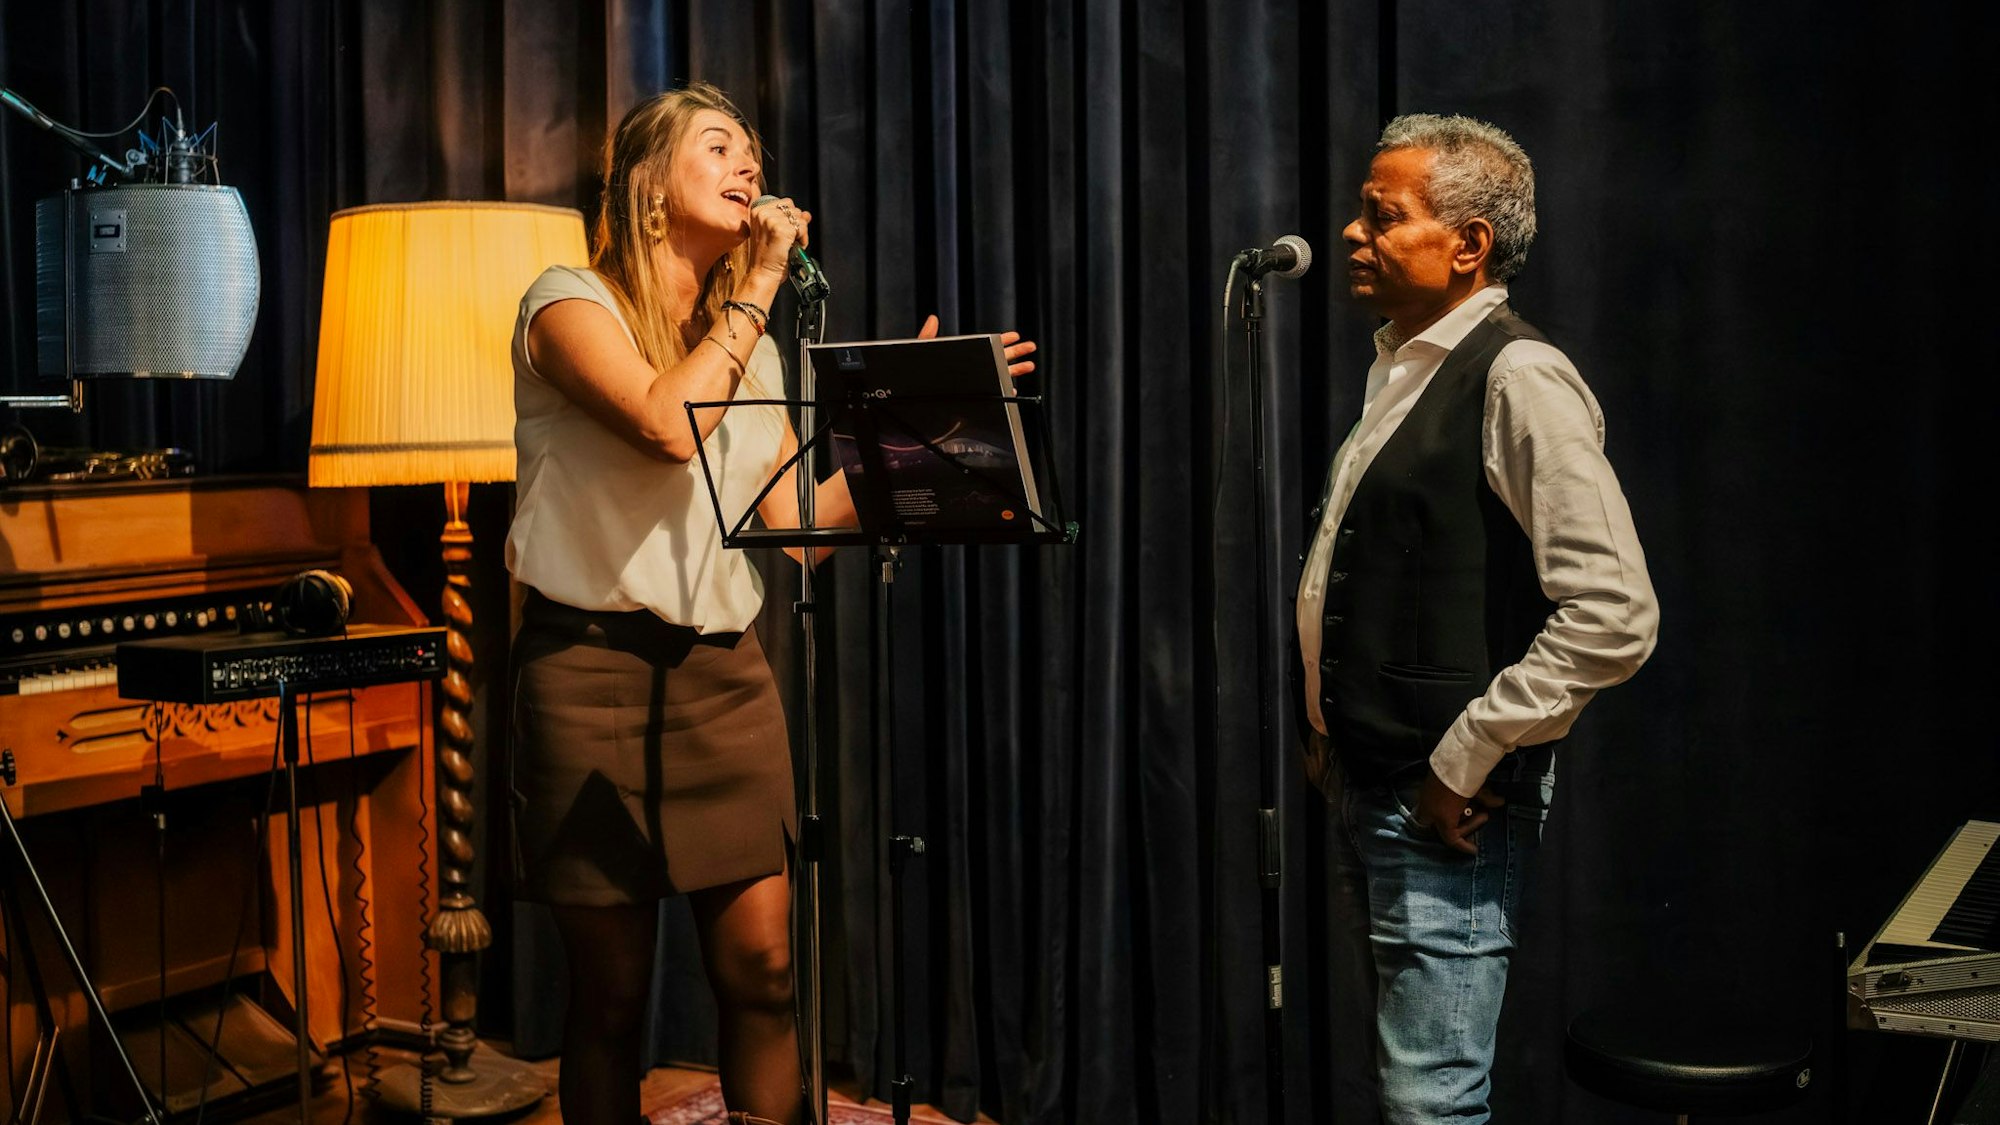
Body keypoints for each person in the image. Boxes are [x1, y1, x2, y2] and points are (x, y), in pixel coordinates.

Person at [504, 82, 1034, 1125]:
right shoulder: (566, 302)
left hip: (723, 679)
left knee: (767, 975)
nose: (749, 165)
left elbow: (795, 529)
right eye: (718, 148)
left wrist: (914, 419)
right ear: (651, 183)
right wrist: (755, 288)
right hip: (587, 677)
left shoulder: (750, 350)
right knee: (608, 1000)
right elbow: (663, 424)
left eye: (753, 150)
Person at [1294, 113, 1659, 1122]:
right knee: (1408, 1081)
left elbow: (1611, 614)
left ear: (1467, 245)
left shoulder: (1517, 375)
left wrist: (1468, 754)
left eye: (1383, 215)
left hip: (1440, 799)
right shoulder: (1399, 363)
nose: (1353, 235)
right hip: (1369, 776)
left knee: (1431, 1097)